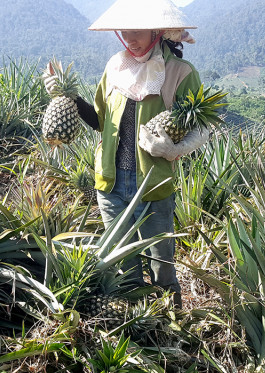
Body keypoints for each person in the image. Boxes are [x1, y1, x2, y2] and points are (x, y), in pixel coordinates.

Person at [43, 0, 210, 308]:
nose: (130, 38)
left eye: (138, 31)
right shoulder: (115, 66)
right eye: (124, 31)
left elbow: (202, 126)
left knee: (161, 263)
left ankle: (170, 328)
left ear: (157, 31)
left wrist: (177, 148)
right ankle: (136, 325)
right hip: (109, 183)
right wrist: (69, 96)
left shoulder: (179, 72)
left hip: (152, 184)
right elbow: (99, 121)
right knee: (124, 262)